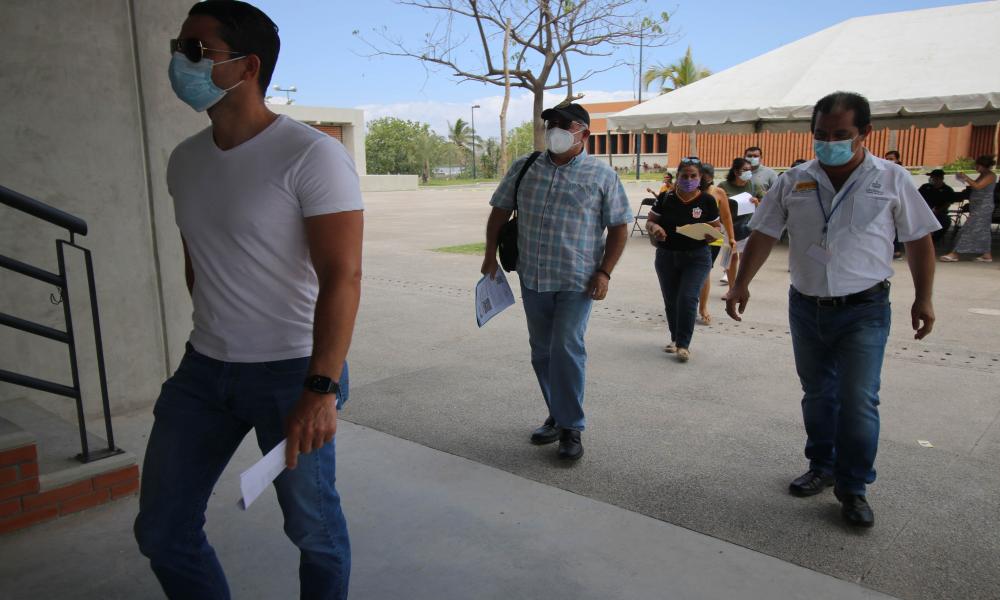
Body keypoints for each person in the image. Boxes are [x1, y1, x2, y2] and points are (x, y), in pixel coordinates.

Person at [134, 2, 363, 598]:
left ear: (247, 66)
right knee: (161, 528)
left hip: (292, 372)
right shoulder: (184, 161)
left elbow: (343, 277)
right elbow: (197, 263)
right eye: (176, 48)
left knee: (313, 531)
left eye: (195, 50)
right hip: (204, 370)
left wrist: (321, 388)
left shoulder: (311, 154)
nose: (178, 62)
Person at [724, 91, 938, 528]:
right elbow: (764, 232)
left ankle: (854, 486)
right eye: (821, 134)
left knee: (859, 400)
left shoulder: (892, 178)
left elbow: (918, 240)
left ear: (865, 134)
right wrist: (741, 283)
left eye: (841, 135)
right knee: (818, 394)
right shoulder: (795, 179)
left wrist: (924, 296)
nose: (829, 142)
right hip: (806, 307)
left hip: (865, 308)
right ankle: (821, 466)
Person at [482, 101, 631, 461]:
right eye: (551, 124)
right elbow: (499, 213)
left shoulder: (602, 176)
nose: (556, 131)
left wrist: (605, 271)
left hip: (577, 280)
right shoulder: (525, 166)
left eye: (565, 125)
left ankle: (571, 428)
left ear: (584, 133)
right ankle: (558, 412)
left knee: (567, 348)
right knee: (542, 352)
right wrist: (489, 256)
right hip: (533, 276)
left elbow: (619, 227)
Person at [646, 158, 721, 361]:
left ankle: (683, 345)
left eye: (693, 176)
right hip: (667, 256)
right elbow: (651, 221)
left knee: (687, 298)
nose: (688, 180)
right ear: (677, 177)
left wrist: (712, 234)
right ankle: (675, 338)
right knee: (671, 300)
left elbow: (716, 227)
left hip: (697, 257)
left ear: (700, 178)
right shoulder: (665, 198)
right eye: (684, 176)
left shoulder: (707, 201)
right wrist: (656, 228)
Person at [697, 163, 737, 324]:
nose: (700, 181)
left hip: (713, 238)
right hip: (692, 236)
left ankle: (703, 307)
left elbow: (726, 217)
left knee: (705, 271)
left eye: (704, 178)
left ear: (711, 178)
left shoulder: (718, 193)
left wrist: (732, 238)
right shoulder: (690, 191)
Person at [940, 155, 996, 262]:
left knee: (968, 228)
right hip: (977, 206)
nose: (976, 167)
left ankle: (955, 253)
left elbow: (978, 186)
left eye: (977, 165)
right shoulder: (983, 175)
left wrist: (966, 177)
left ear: (983, 166)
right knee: (984, 230)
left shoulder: (990, 176)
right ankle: (986, 254)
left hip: (983, 207)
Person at [717, 158, 762, 288]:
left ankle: (741, 287)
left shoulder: (753, 186)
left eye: (750, 170)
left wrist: (757, 202)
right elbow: (716, 204)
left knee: (746, 258)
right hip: (728, 227)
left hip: (746, 227)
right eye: (745, 170)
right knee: (731, 258)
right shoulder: (723, 186)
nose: (748, 172)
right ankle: (731, 289)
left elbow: (764, 204)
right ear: (736, 172)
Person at [918, 169, 956, 242]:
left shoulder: (947, 190)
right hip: (923, 211)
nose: (931, 179)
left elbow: (948, 203)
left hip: (939, 213)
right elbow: (916, 197)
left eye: (933, 178)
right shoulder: (925, 187)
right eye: (931, 177)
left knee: (945, 221)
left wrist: (937, 211)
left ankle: (933, 240)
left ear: (940, 178)